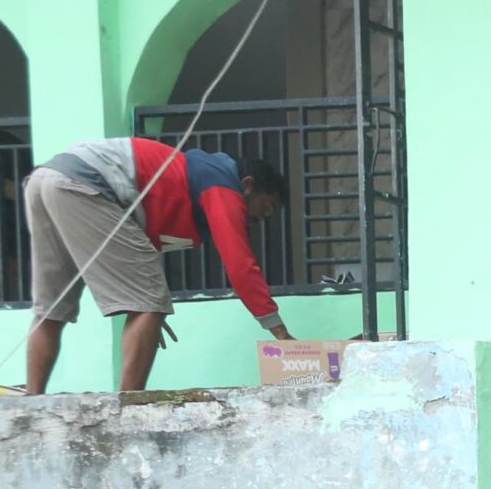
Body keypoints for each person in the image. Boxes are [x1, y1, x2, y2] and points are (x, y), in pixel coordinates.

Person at [22, 136, 290, 394]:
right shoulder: (221, 181)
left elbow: (137, 247)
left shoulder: (189, 179)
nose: (261, 219)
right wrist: (280, 332)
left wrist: (148, 316)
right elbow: (239, 264)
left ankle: (31, 400)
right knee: (147, 303)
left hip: (44, 180)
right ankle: (128, 409)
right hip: (86, 184)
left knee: (51, 307)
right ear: (248, 185)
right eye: (265, 208)